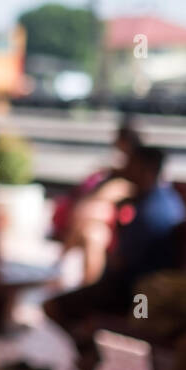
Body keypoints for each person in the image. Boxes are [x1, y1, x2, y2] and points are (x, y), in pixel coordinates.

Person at [42, 145, 186, 370]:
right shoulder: (161, 200)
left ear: (145, 169)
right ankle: (88, 355)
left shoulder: (150, 211)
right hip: (142, 289)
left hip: (138, 294)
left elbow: (122, 265)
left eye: (130, 164)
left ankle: (88, 355)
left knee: (52, 307)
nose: (124, 169)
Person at [50, 117, 143, 281]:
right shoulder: (114, 172)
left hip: (117, 227)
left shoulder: (132, 176)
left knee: (92, 232)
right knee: (89, 230)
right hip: (96, 223)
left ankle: (75, 278)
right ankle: (73, 280)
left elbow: (116, 198)